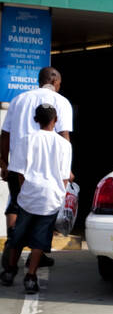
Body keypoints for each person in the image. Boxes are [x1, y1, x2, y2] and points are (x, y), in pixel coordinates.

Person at [0, 67, 73, 269]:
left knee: (17, 206)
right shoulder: (61, 102)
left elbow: (5, 134)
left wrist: (4, 163)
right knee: (43, 217)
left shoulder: (18, 100)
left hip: (19, 167)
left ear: (38, 81)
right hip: (49, 170)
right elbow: (64, 136)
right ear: (56, 82)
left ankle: (12, 245)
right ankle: (35, 258)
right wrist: (67, 170)